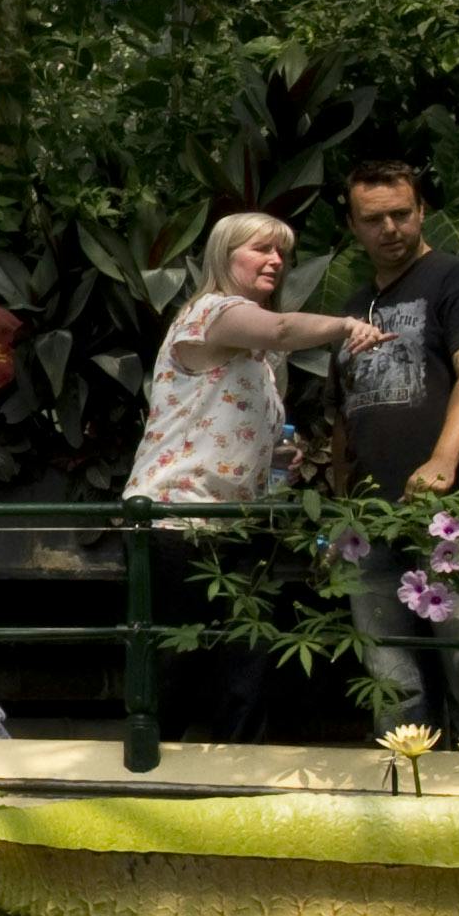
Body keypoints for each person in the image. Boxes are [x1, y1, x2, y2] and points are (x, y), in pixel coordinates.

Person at [124, 210, 383, 747]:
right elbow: (285, 328)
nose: (275, 261)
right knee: (177, 660)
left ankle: (235, 776)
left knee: (248, 659)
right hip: (179, 519)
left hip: (237, 521)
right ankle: (147, 774)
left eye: (281, 252)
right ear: (225, 256)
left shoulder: (256, 357)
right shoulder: (212, 313)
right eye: (260, 249)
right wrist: (346, 325)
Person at [335, 157, 459, 745]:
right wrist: (341, 507)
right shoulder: (353, 306)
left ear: (422, 212)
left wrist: (444, 457)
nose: (389, 228)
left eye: (400, 213)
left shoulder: (457, 281)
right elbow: (343, 412)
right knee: (390, 676)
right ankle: (403, 804)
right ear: (353, 226)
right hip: (371, 519)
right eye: (374, 219)